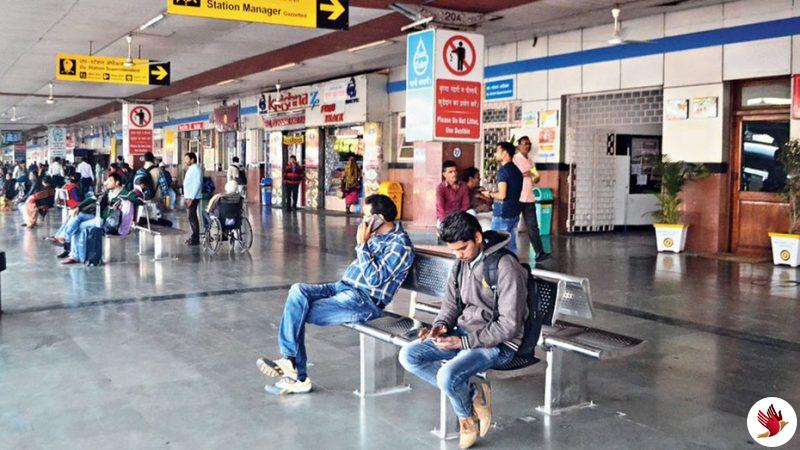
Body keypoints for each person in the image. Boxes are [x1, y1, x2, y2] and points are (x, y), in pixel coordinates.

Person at [256, 195, 415, 394]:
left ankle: (296, 373)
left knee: (298, 311)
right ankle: (290, 363)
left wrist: (362, 246)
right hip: (342, 287)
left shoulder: (400, 245)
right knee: (297, 291)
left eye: (366, 216)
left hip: (363, 300)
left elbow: (375, 279)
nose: (362, 221)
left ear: (379, 218)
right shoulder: (377, 236)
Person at [399, 212, 527, 449]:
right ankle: (473, 393)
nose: (459, 255)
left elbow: (509, 326)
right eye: (454, 250)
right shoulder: (461, 263)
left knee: (447, 376)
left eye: (463, 248)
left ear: (478, 237)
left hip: (497, 344)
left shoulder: (505, 266)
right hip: (465, 333)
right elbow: (451, 304)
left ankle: (467, 420)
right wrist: (440, 326)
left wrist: (462, 343)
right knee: (409, 356)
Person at [61, 173, 141, 264]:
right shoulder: (108, 192)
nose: (107, 183)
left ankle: (73, 252)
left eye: (110, 180)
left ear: (117, 183)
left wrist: (128, 197)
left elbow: (140, 201)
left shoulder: (124, 193)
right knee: (78, 217)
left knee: (80, 226)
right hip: (99, 217)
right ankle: (67, 240)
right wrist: (79, 207)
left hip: (108, 222)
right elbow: (92, 198)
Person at [514, 136, 549, 262]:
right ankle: (510, 252)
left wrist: (536, 178)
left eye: (529, 144)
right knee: (512, 224)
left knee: (533, 226)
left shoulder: (530, 160)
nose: (527, 146)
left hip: (529, 197)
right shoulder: (515, 159)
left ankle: (539, 252)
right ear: (518, 145)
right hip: (518, 197)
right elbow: (512, 176)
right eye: (524, 144)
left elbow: (534, 176)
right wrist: (525, 174)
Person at [487, 142, 523, 254]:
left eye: (497, 151)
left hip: (502, 214)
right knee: (512, 246)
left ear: (505, 153)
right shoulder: (517, 171)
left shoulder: (503, 171)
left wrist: (489, 194)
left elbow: (502, 195)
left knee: (496, 246)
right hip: (515, 212)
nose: (495, 154)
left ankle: (498, 270)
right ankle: (513, 268)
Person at [436, 160, 470, 228]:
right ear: (444, 174)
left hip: (461, 216)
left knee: (472, 213)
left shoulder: (464, 186)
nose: (454, 174)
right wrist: (446, 222)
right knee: (440, 227)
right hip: (447, 217)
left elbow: (466, 205)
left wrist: (458, 218)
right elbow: (440, 208)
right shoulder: (440, 188)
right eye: (450, 172)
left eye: (455, 171)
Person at [182, 152, 203, 246]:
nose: (185, 161)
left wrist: (191, 198)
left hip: (193, 197)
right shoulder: (191, 168)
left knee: (192, 217)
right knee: (191, 217)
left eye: (187, 159)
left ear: (192, 159)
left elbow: (198, 183)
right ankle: (194, 236)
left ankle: (195, 238)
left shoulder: (196, 169)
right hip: (189, 197)